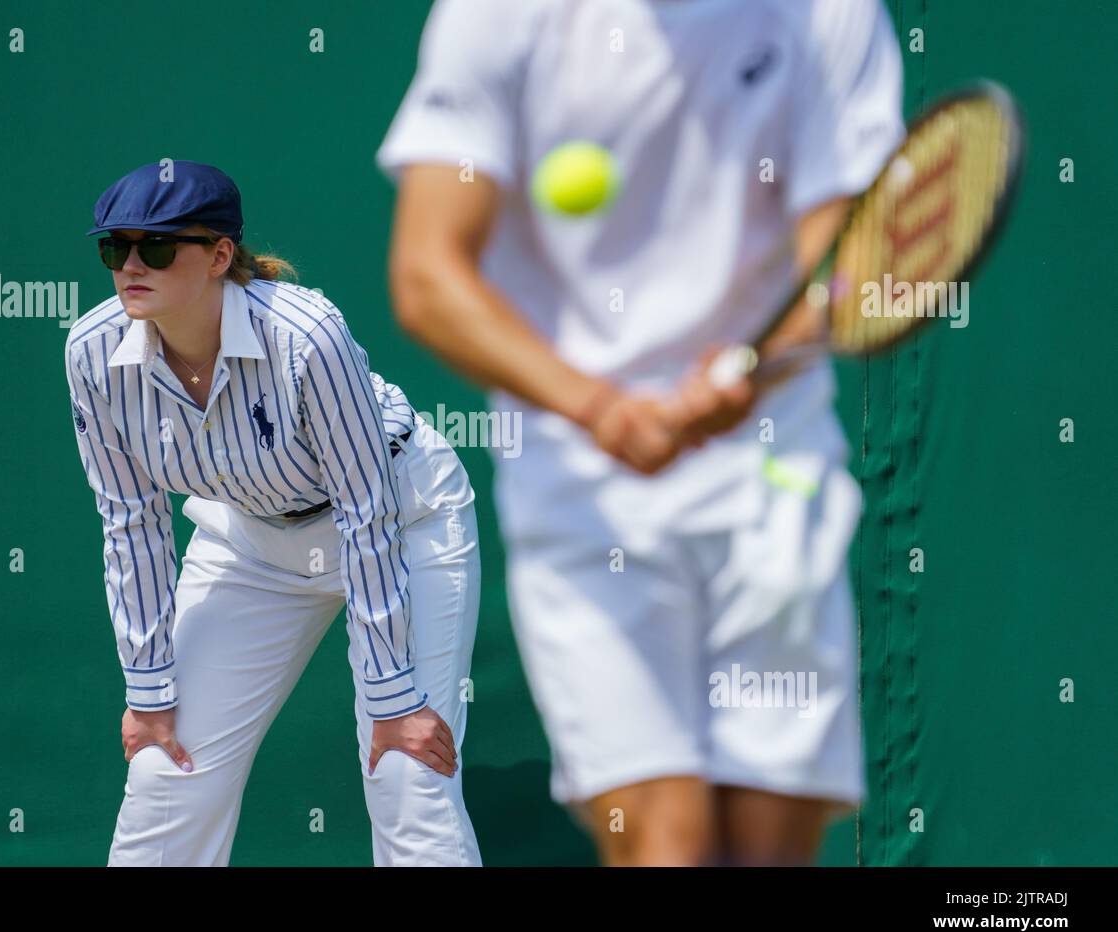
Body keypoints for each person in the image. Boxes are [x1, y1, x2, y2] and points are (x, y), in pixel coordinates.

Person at [378, 0, 904, 865]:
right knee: (668, 843)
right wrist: (601, 410)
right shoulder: (496, 17)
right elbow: (427, 276)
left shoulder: (826, 15)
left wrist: (750, 367)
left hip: (775, 483)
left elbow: (847, 260)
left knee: (767, 852)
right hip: (586, 504)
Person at [66, 160, 481, 865]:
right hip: (247, 541)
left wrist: (393, 695)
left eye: (157, 247)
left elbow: (365, 507)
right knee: (166, 770)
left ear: (221, 255)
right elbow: (130, 524)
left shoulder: (306, 334)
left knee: (408, 773)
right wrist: (149, 687)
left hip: (403, 522)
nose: (131, 265)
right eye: (115, 249)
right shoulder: (92, 352)